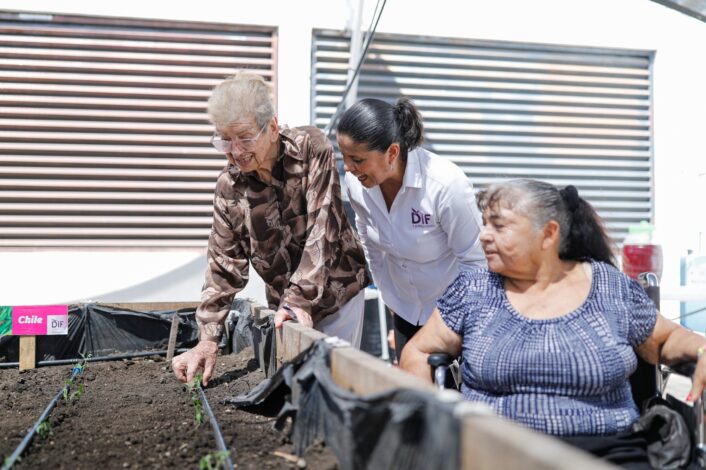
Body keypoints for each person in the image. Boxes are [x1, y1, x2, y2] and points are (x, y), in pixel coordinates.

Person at [400, 179, 706, 468]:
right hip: (495, 451)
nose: (483, 235)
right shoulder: (474, 289)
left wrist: (702, 349)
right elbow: (419, 352)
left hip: (607, 452)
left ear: (548, 234)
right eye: (484, 223)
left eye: (499, 225)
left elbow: (666, 340)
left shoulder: (610, 287)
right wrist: (435, 427)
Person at [172, 72, 369, 385]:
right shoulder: (229, 188)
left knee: (335, 386)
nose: (235, 152)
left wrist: (299, 300)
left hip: (337, 293)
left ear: (273, 127)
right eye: (225, 140)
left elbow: (323, 229)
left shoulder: (311, 148)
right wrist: (208, 338)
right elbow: (224, 265)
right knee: (292, 389)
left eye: (245, 138)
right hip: (284, 306)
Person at [336, 97, 485, 360]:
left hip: (452, 315)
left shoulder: (445, 185)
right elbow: (370, 243)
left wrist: (452, 321)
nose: (348, 168)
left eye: (357, 159)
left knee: (448, 395)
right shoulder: (357, 184)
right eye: (345, 157)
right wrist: (390, 297)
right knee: (412, 392)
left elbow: (476, 264)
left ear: (392, 153)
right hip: (404, 310)